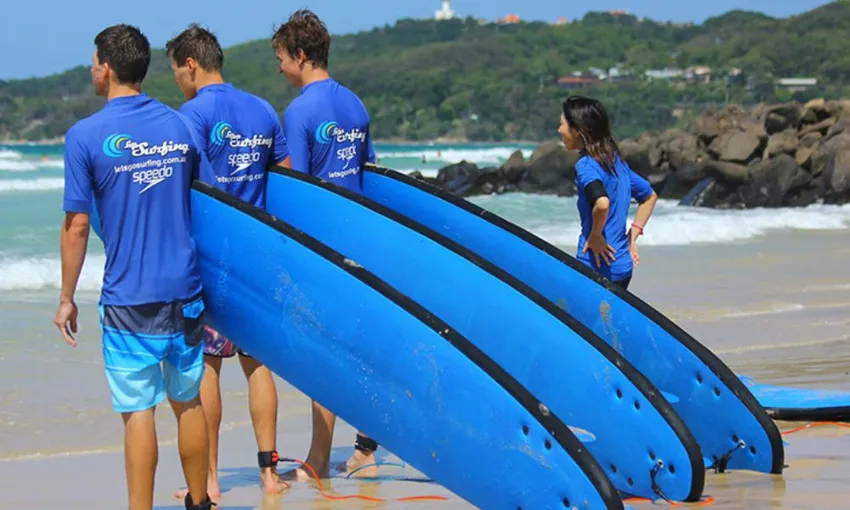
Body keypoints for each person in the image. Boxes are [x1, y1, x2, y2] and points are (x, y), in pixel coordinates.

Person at [54, 24, 213, 510]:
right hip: (185, 292)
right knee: (187, 400)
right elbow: (207, 209)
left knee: (137, 410)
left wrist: (66, 298)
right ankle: (201, 502)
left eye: (93, 61)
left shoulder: (85, 136)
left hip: (129, 298)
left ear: (105, 67)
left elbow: (78, 225)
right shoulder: (181, 127)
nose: (90, 69)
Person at [165, 24, 290, 502]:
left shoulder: (191, 115)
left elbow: (194, 187)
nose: (178, 79)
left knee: (209, 368)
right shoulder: (262, 108)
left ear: (191, 65)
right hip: (259, 257)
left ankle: (211, 480)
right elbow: (287, 179)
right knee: (259, 366)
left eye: (177, 70)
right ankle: (268, 474)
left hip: (214, 261)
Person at [271, 8, 379, 480]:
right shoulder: (355, 104)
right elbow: (366, 173)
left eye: (280, 57)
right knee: (356, 349)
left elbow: (298, 187)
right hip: (361, 241)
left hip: (322, 249)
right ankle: (366, 447)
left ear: (300, 55)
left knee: (324, 355)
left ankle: (318, 459)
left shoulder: (300, 110)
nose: (279, 68)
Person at [558, 95, 658, 290]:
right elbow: (649, 196)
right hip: (622, 266)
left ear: (578, 131)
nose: (559, 130)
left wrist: (595, 235)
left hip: (594, 266)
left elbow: (602, 203)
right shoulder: (617, 163)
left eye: (562, 124)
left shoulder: (586, 165)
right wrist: (632, 238)